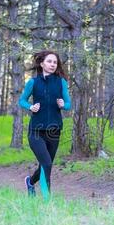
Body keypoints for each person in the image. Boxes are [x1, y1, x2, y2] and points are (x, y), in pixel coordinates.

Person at [18, 50, 71, 197]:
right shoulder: (33, 82)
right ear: (42, 64)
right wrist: (30, 107)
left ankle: (30, 182)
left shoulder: (61, 82)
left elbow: (68, 104)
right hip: (36, 131)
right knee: (47, 164)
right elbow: (21, 100)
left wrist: (62, 104)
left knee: (45, 165)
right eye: (49, 61)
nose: (52, 64)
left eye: (55, 62)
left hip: (54, 130)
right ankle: (47, 200)